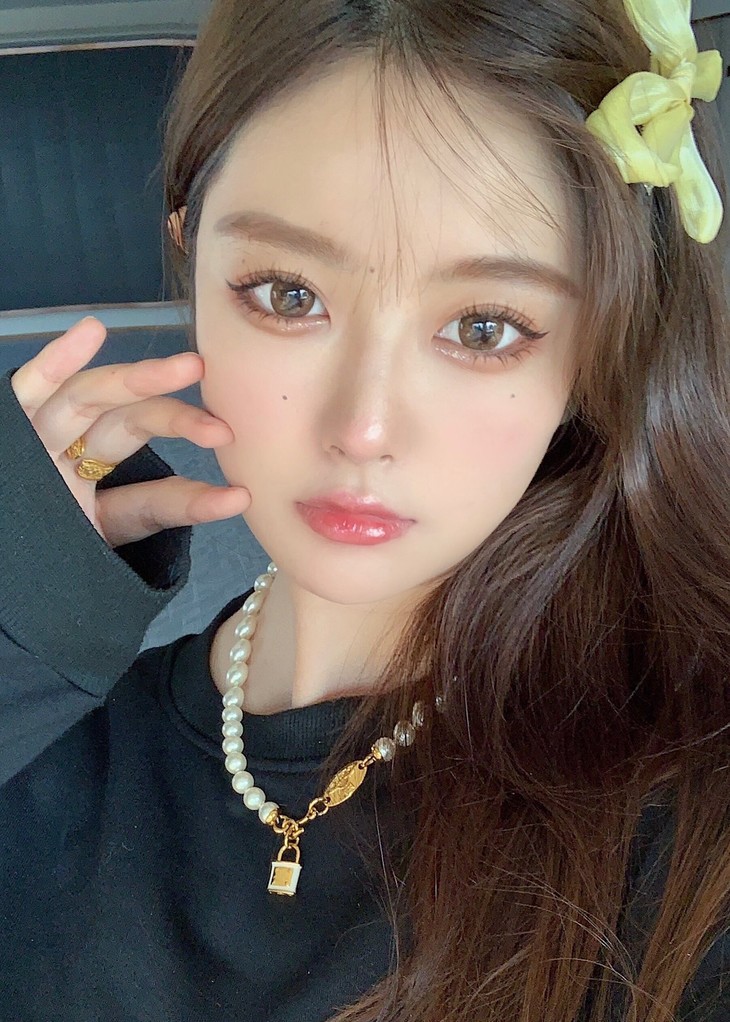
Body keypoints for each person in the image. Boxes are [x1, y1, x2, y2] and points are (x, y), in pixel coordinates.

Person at [1, 0, 728, 1019]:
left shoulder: (690, 825)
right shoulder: (40, 737)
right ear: (191, 258)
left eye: (484, 327)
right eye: (288, 295)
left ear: (594, 351)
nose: (364, 427)